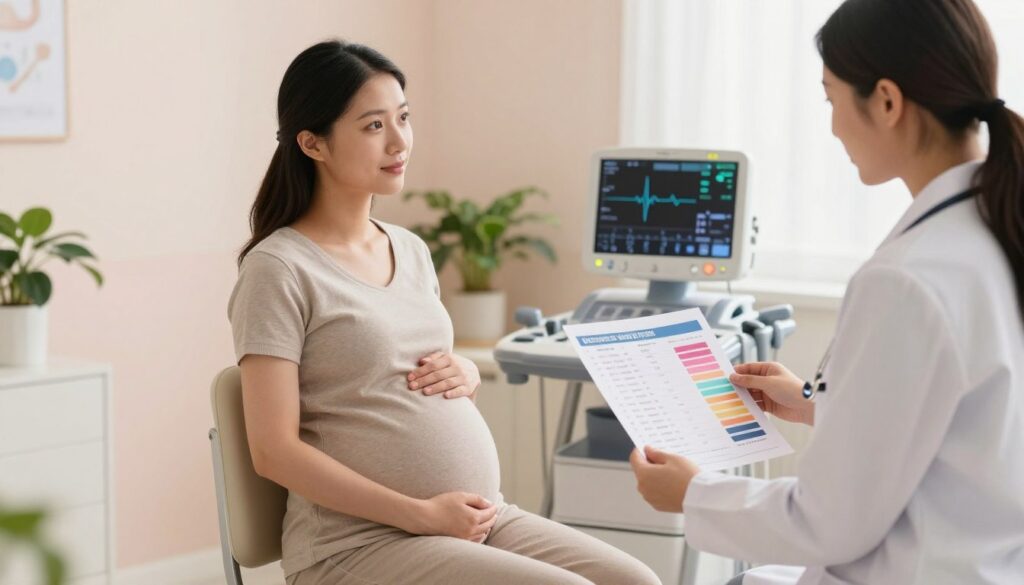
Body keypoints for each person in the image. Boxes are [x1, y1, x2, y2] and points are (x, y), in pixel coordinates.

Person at [228, 40, 661, 585]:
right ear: (313, 143)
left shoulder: (409, 249)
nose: (399, 141)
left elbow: (394, 382)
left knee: (638, 581)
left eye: (403, 118)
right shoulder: (279, 269)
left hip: (475, 518)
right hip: (355, 544)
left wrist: (465, 374)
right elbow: (274, 452)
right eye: (372, 126)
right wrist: (421, 514)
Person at [629, 0, 1024, 583]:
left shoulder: (909, 279)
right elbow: (973, 425)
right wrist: (820, 404)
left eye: (831, 97)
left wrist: (691, 494)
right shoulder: (996, 230)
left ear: (887, 101)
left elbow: (830, 523)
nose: (834, 124)